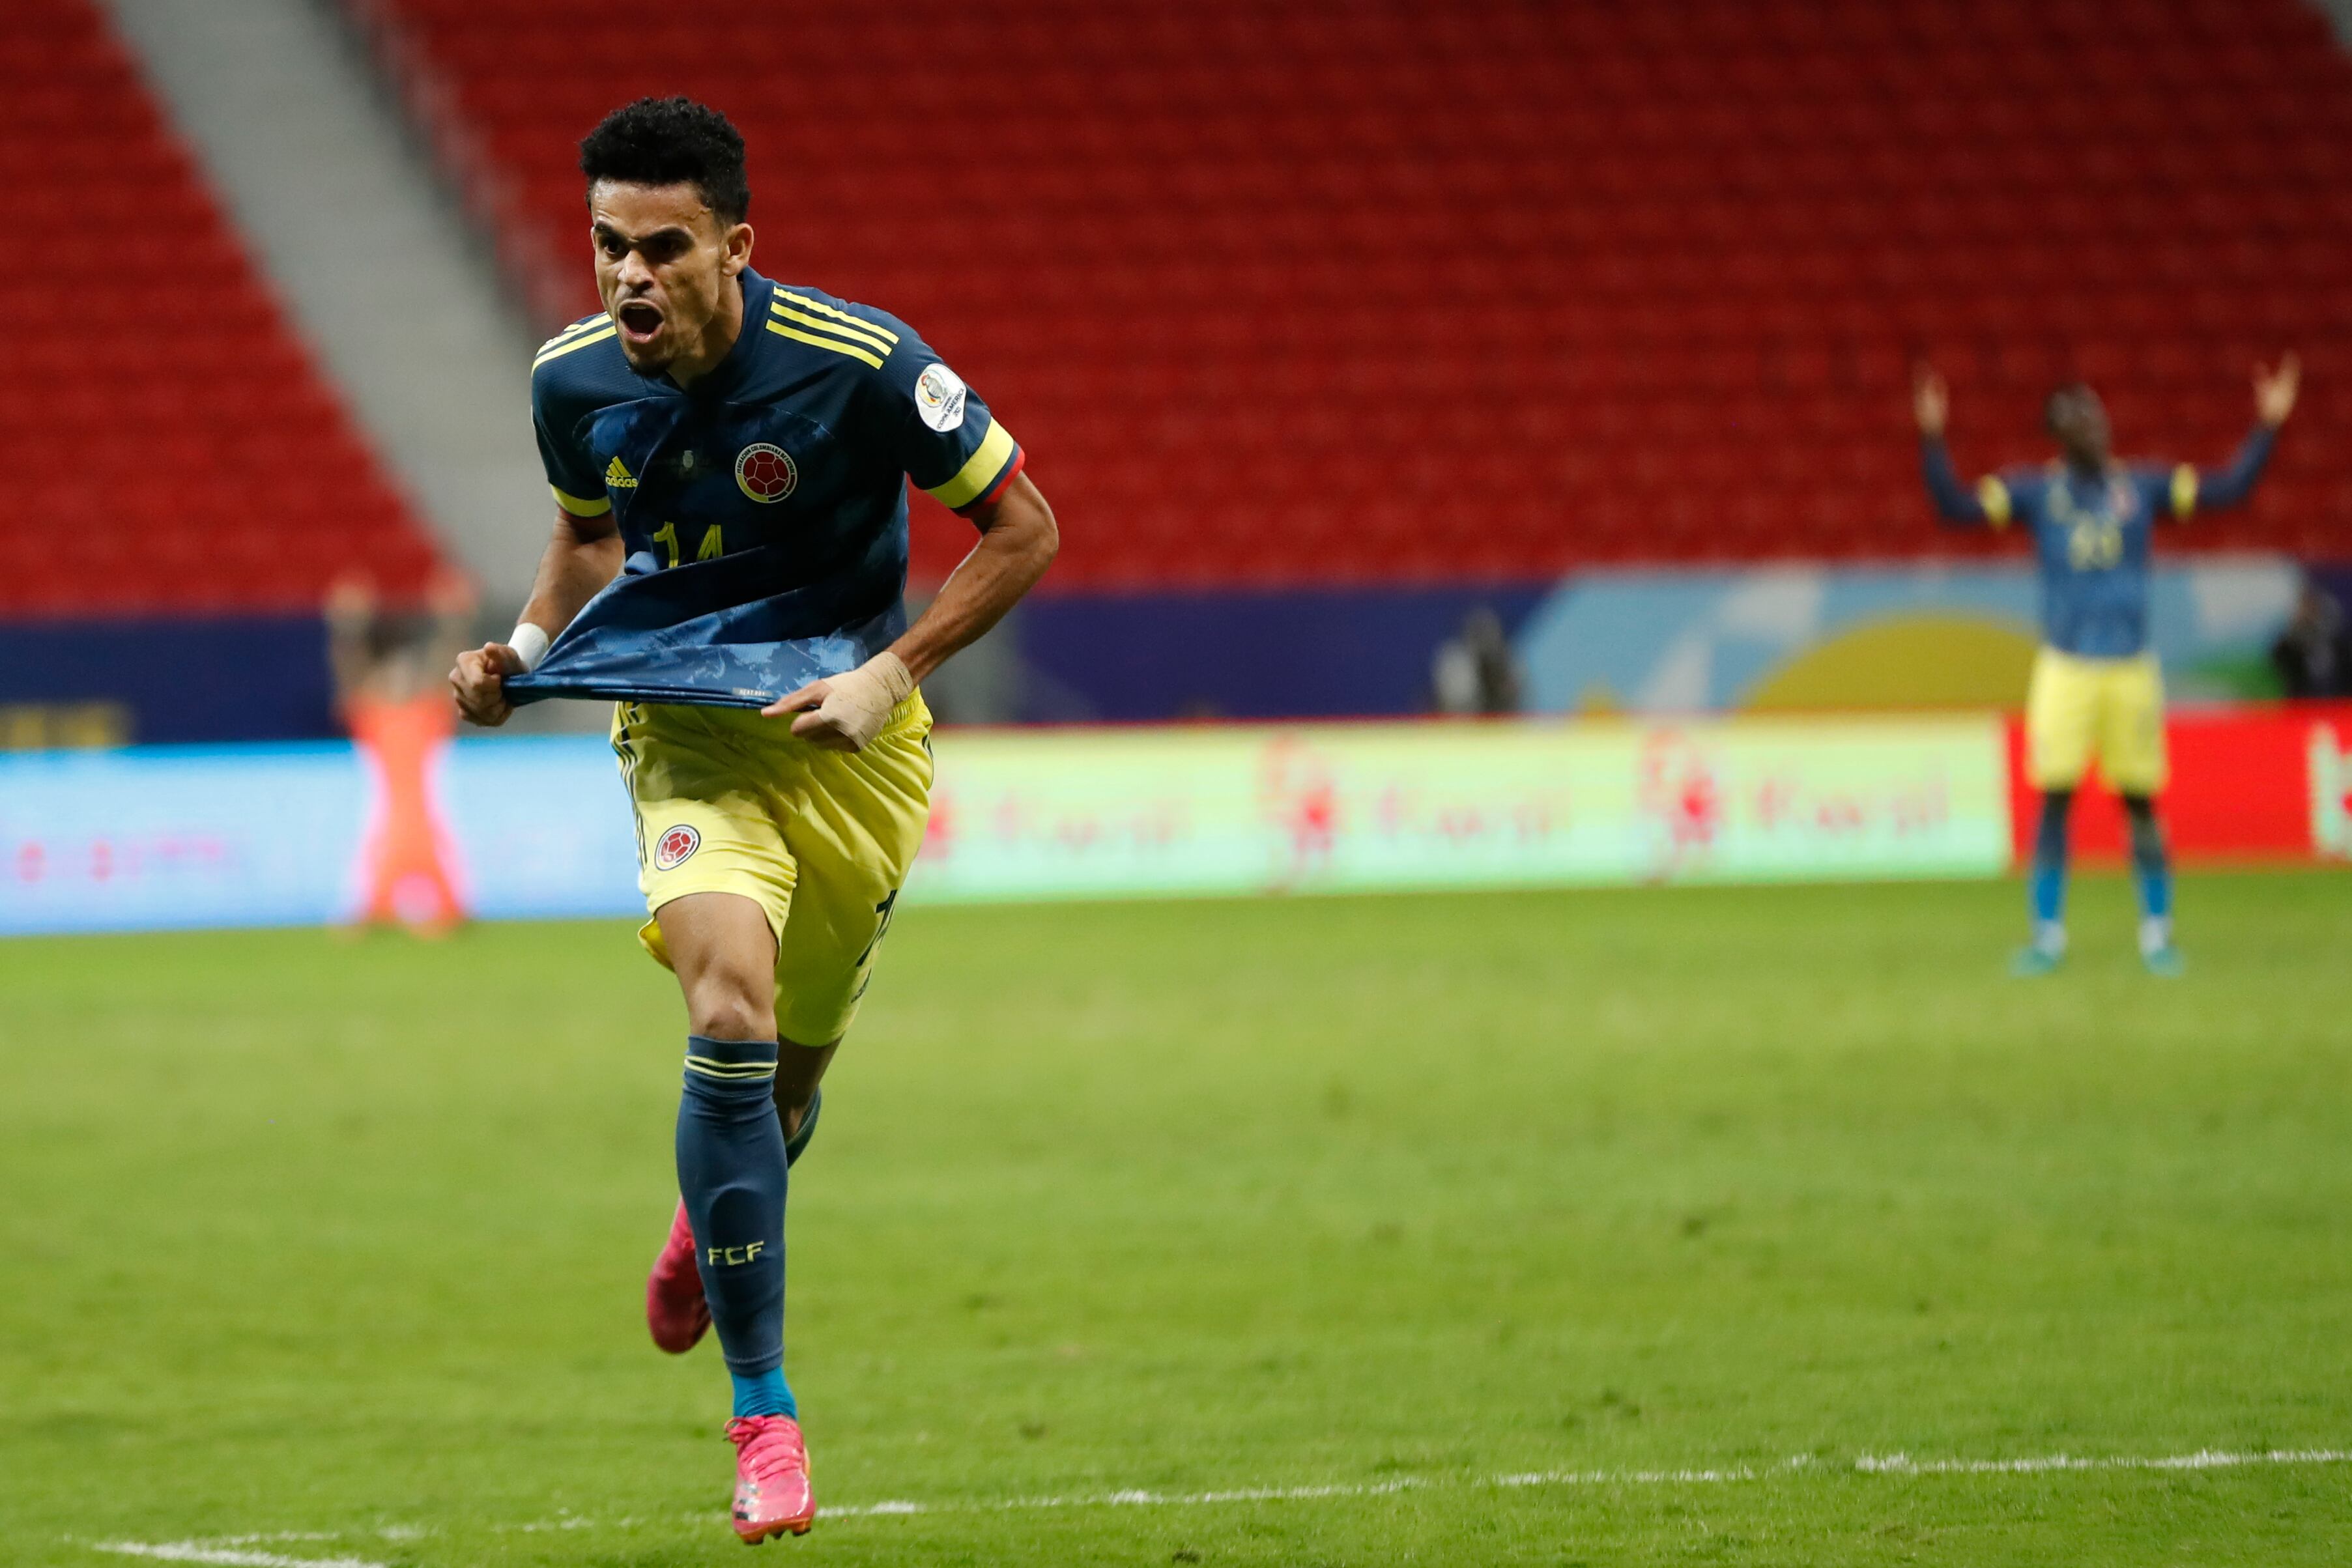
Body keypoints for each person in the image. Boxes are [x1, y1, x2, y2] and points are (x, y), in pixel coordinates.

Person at [447, 98, 1057, 1543]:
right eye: (607, 247)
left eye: (662, 247)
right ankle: (765, 1415)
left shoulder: (861, 365)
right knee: (727, 1012)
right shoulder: (572, 381)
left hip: (851, 744)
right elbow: (587, 537)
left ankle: (707, 1217)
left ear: (736, 245)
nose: (628, 279)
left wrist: (885, 674)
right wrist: (520, 657)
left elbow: (1023, 527)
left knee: (784, 1083)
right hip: (684, 738)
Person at [1913, 356, 2298, 976]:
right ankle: (2046, 937)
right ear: (2059, 435)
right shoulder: (2036, 494)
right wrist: (1930, 436)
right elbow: (1955, 509)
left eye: (2096, 414)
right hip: (2066, 668)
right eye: (2080, 419)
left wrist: (2270, 424)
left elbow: (2231, 490)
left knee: (2140, 802)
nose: (2097, 426)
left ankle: (2157, 934)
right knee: (2055, 800)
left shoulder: (2142, 486)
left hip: (2129, 669)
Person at [327, 571, 473, 935]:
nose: (399, 680)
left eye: (405, 674)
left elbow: (449, 673)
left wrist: (453, 623)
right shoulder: (373, 719)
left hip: (427, 818)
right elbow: (350, 677)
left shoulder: (427, 716)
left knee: (439, 874)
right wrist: (348, 631)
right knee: (376, 867)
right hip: (387, 818)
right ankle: (377, 915)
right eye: (391, 674)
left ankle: (439, 917)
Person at [2271, 578, 2352, 698]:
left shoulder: (2335, 638)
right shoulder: (2291, 641)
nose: (2310, 612)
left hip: (2338, 701)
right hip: (2303, 703)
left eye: (2313, 607)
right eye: (2306, 608)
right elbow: (2281, 660)